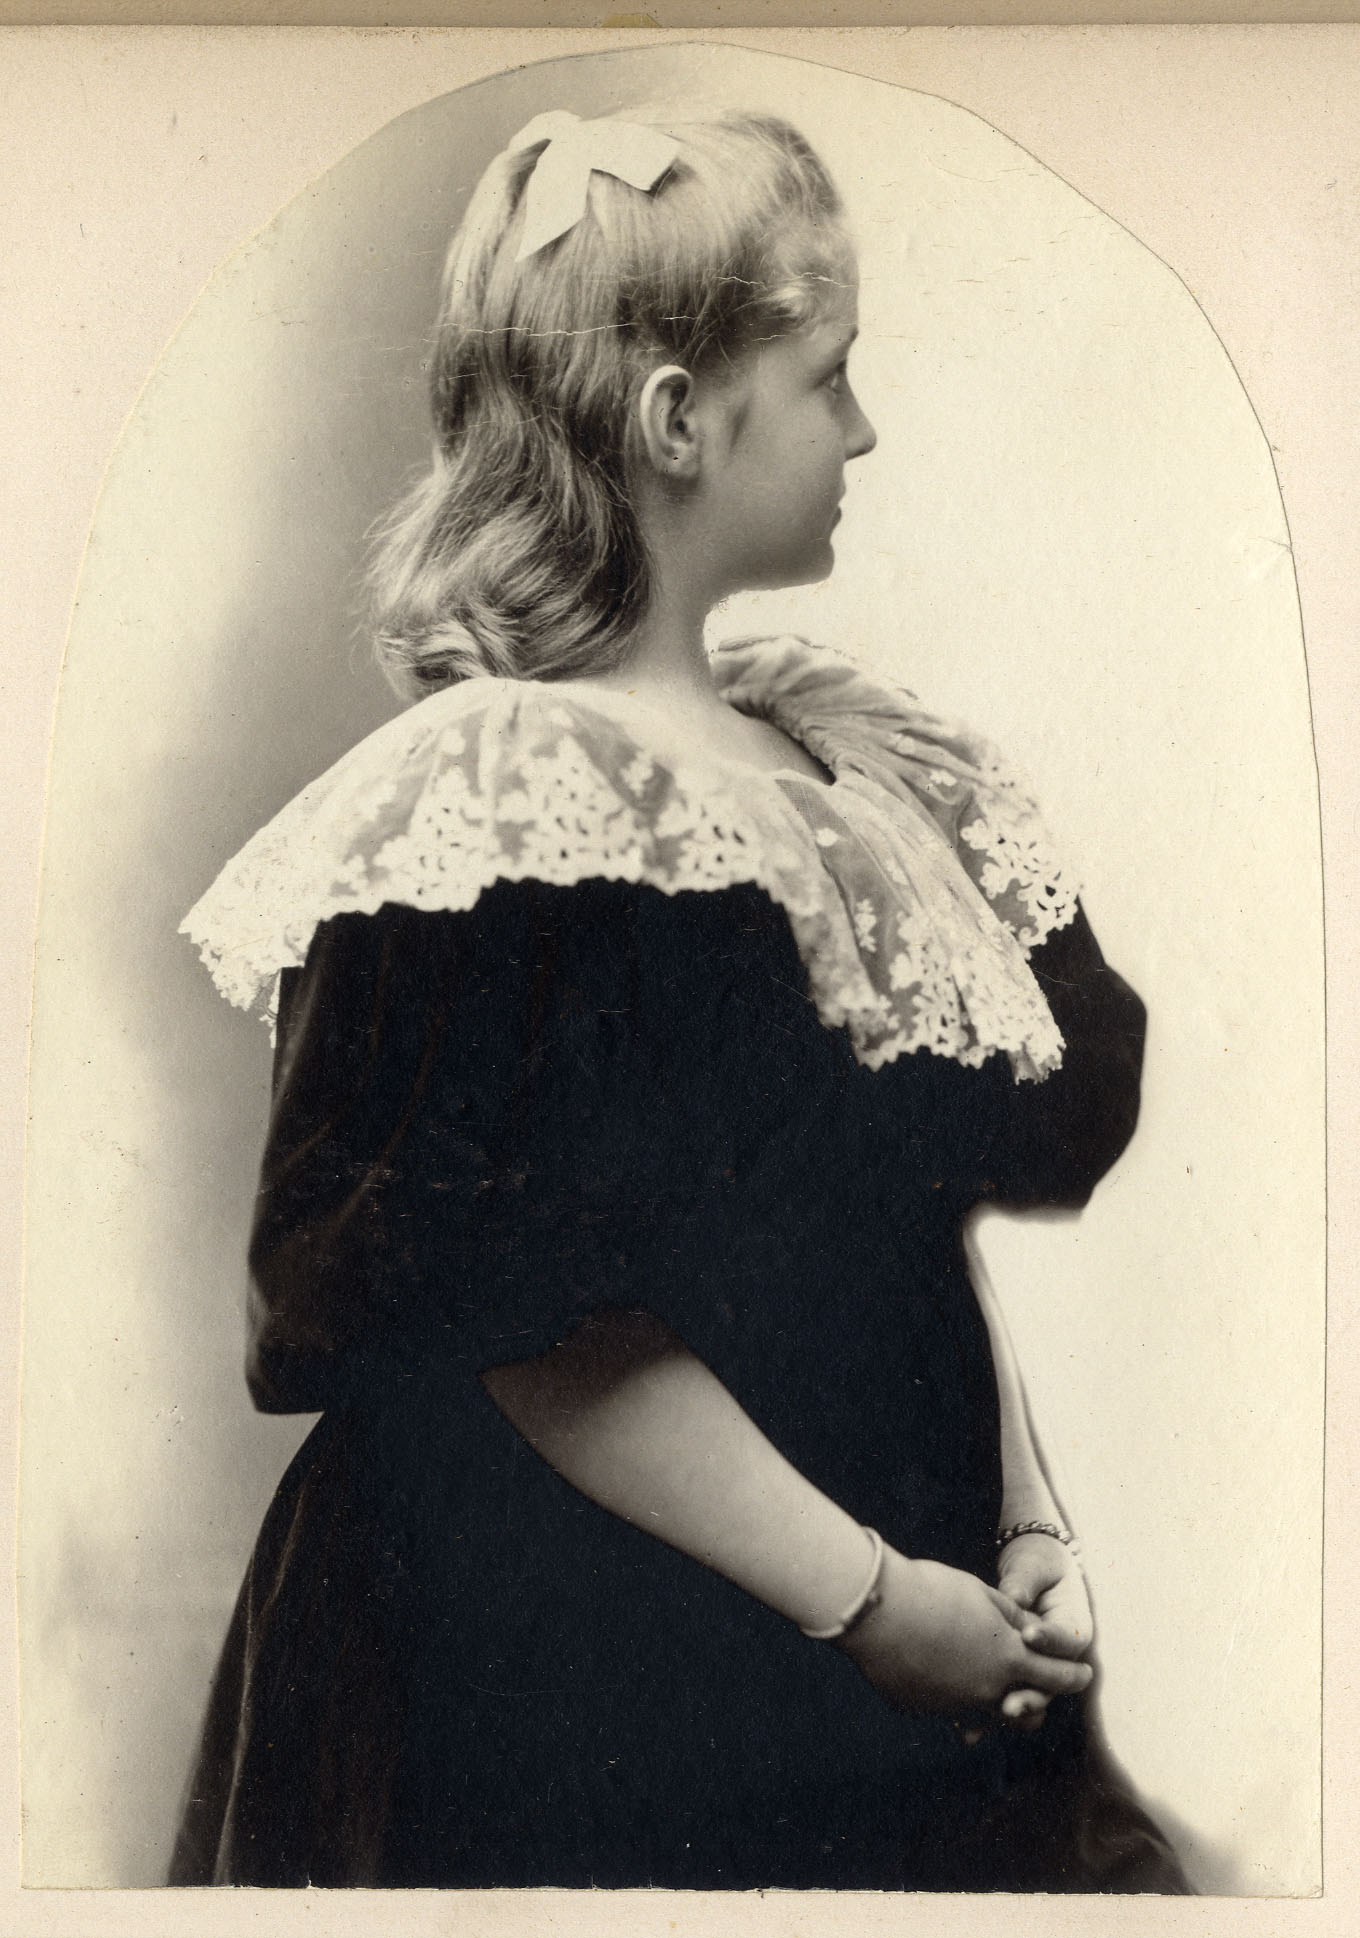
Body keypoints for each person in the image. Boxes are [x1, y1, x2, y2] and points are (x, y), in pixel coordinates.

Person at [169, 106, 1190, 1892]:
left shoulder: (842, 761)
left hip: (910, 1591)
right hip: (588, 1634)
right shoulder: (498, 803)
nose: (863, 428)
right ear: (675, 420)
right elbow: (517, 1310)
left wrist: (1022, 1513)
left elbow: (893, 1196)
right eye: (829, 375)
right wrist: (866, 1597)